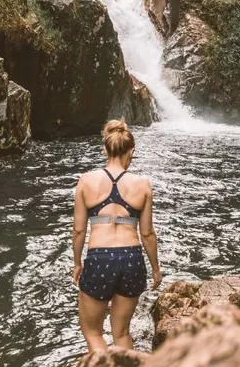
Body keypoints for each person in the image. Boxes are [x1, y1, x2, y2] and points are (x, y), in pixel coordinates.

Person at [72, 119, 162, 352]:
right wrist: (155, 269)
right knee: (121, 333)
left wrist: (77, 263)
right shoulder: (143, 184)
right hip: (132, 259)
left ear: (105, 148)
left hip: (99, 258)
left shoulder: (86, 181)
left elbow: (79, 230)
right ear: (131, 150)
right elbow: (147, 233)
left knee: (93, 332)